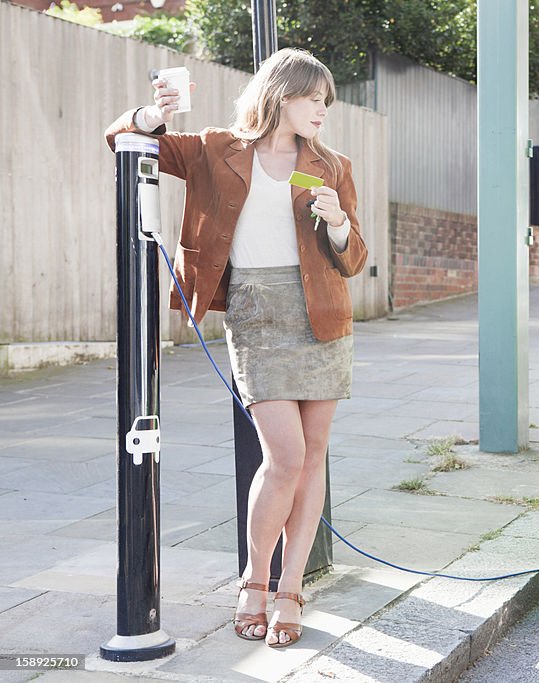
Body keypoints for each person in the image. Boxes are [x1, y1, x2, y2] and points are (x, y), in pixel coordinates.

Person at [104, 48, 368, 648]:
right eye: (313, 99)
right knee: (285, 457)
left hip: (323, 315)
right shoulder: (214, 150)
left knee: (312, 455)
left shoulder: (332, 165)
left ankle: (292, 587)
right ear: (280, 95)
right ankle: (255, 579)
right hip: (254, 314)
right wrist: (152, 113)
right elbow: (121, 140)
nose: (323, 110)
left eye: (327, 101)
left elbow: (354, 259)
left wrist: (337, 224)